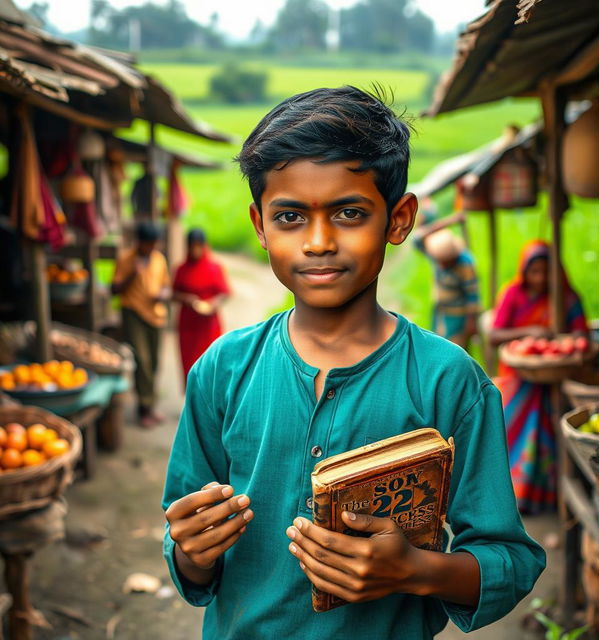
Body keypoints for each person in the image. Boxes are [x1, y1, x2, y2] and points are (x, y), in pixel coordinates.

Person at [162, 86, 544, 640]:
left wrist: (417, 570)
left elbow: (511, 560)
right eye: (290, 216)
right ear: (260, 226)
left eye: (348, 212)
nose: (318, 242)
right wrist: (192, 551)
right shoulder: (222, 369)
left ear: (399, 218)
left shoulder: (448, 381)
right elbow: (186, 545)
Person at [490, 240, 588, 514]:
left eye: (547, 271)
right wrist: (530, 332)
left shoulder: (566, 297)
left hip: (558, 374)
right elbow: (495, 335)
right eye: (535, 272)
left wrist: (569, 344)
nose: (541, 278)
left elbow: (582, 333)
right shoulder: (514, 295)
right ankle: (516, 497)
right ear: (525, 272)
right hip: (519, 375)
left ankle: (551, 495)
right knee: (515, 420)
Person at [112, 221, 170, 428]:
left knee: (154, 362)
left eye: (155, 244)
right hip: (134, 313)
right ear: (140, 242)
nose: (152, 247)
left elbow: (165, 285)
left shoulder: (158, 259)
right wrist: (132, 275)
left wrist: (162, 294)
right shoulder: (126, 259)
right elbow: (114, 290)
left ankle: (151, 405)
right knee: (142, 361)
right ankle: (143, 409)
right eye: (149, 244)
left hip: (155, 315)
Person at [413, 212, 480, 350]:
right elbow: (416, 239)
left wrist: (471, 321)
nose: (442, 266)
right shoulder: (437, 255)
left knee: (454, 351)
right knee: (437, 348)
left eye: (446, 262)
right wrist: (449, 221)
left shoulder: (465, 263)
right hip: (440, 312)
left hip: (458, 316)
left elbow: (473, 295)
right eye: (440, 262)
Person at [172, 228, 230, 384]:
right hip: (188, 324)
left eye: (198, 246)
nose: (195, 250)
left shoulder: (214, 268)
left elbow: (225, 292)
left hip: (209, 325)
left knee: (211, 362)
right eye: (192, 246)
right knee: (190, 363)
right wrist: (186, 298)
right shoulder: (181, 269)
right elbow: (173, 293)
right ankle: (192, 402)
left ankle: (211, 404)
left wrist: (213, 304)